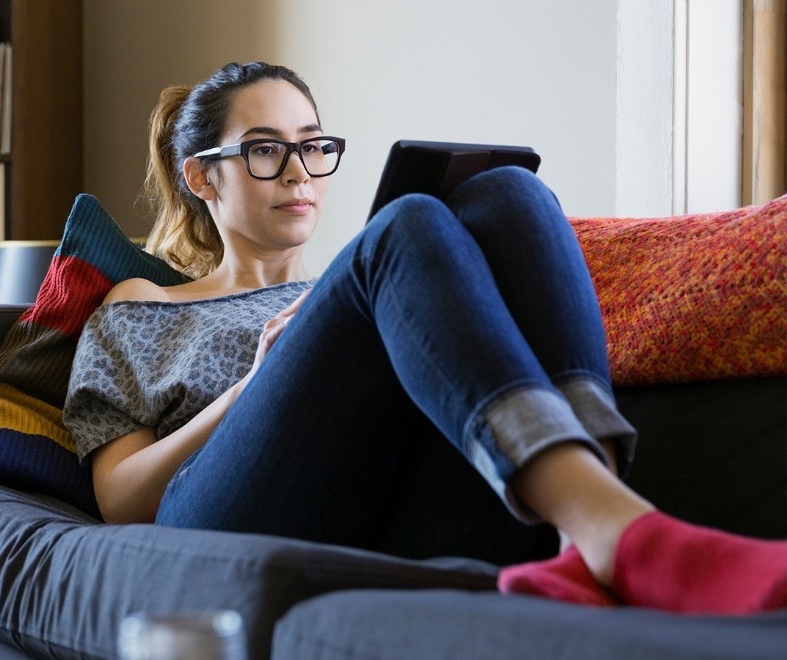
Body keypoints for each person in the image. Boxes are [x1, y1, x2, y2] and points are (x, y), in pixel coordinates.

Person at [64, 61, 787, 614]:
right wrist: (255, 382)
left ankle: (583, 532)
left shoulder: (374, 288)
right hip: (214, 516)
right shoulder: (145, 302)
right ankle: (620, 534)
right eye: (264, 151)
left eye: (314, 147)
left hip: (402, 496)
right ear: (202, 177)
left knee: (512, 192)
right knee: (405, 224)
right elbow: (121, 501)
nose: (299, 174)